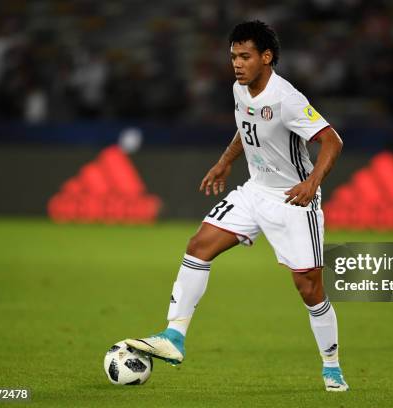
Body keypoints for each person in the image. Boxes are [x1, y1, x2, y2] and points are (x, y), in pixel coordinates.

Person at [126, 20, 348, 391]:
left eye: (245, 56)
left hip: (294, 200)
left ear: (266, 57)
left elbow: (332, 141)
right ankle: (174, 336)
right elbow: (244, 127)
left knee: (309, 288)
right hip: (255, 191)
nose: (237, 64)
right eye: (233, 57)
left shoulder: (287, 99)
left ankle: (332, 365)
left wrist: (311, 183)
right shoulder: (239, 89)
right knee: (199, 246)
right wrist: (226, 160)